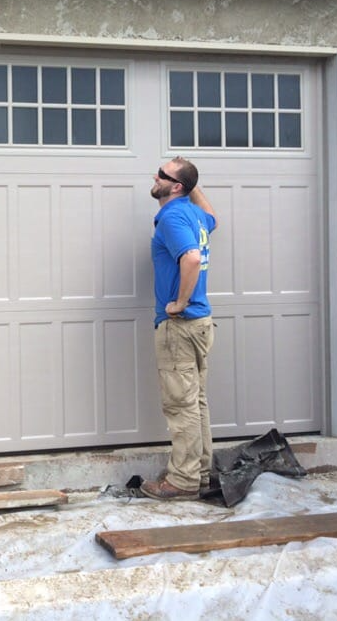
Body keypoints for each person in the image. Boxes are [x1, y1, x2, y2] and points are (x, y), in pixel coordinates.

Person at [140, 156, 217, 501]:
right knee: (195, 403)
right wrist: (191, 183)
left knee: (180, 405)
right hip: (201, 326)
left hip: (181, 326)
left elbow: (191, 258)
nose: (153, 176)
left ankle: (182, 482)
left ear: (175, 187)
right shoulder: (195, 215)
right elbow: (214, 217)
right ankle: (199, 473)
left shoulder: (172, 216)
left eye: (162, 174)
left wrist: (179, 303)